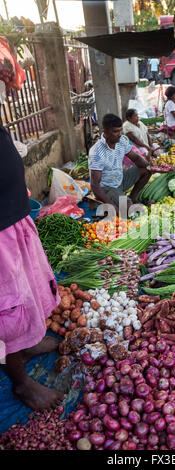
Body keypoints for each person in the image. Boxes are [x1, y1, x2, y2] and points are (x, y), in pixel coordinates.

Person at [0, 89, 64, 410]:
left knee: (29, 292)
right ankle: (21, 383)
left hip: (14, 222)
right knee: (7, 311)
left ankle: (28, 344)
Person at [89, 113, 151, 214]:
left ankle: (132, 197)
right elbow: (95, 186)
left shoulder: (121, 141)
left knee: (147, 170)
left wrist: (151, 166)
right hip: (107, 187)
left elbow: (135, 157)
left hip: (120, 180)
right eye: (115, 131)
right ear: (105, 131)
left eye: (120, 130)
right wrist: (113, 207)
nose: (119, 134)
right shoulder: (97, 152)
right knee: (129, 210)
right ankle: (124, 201)